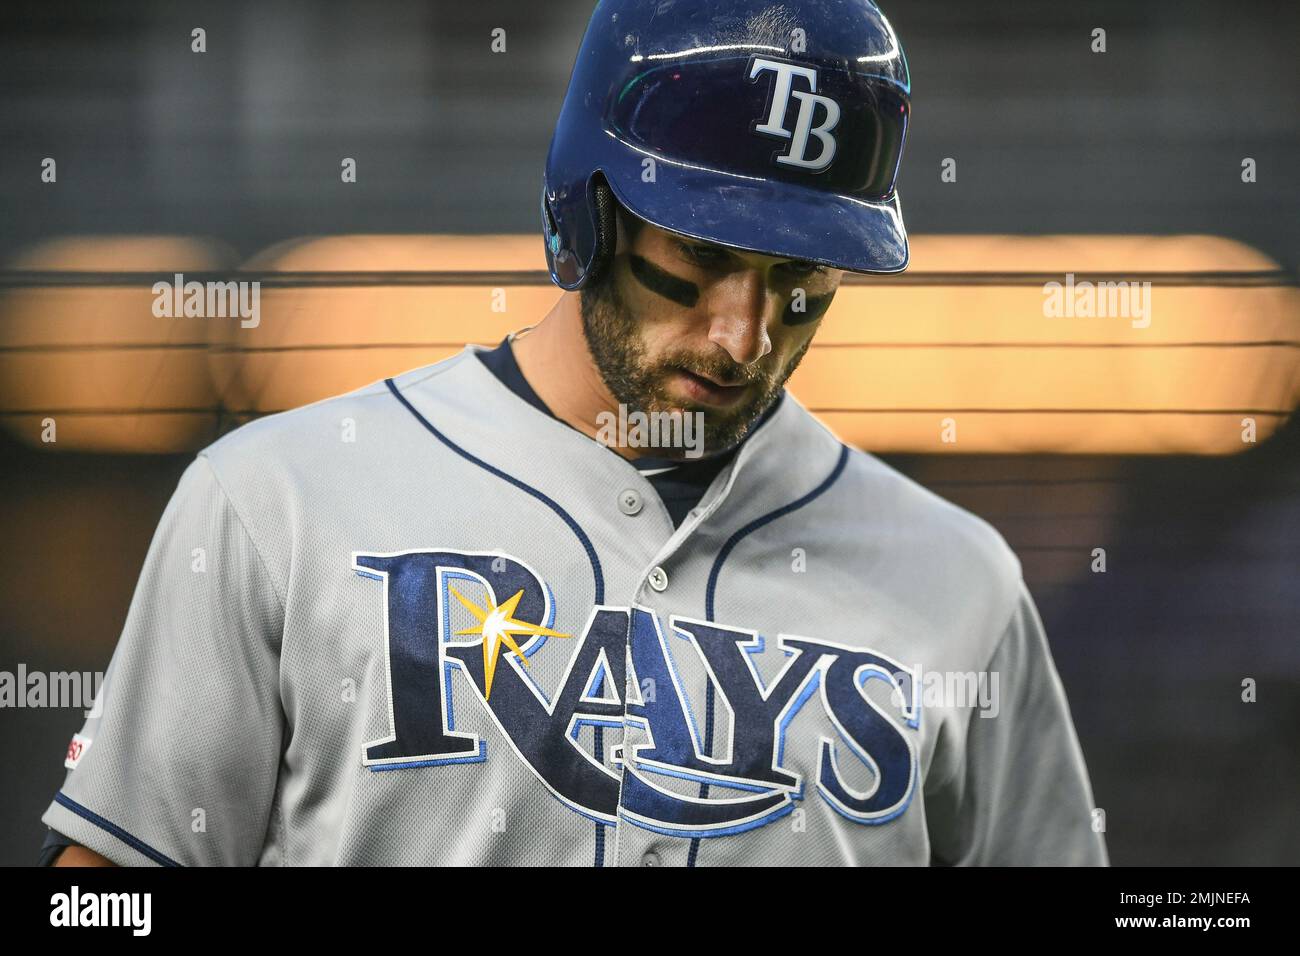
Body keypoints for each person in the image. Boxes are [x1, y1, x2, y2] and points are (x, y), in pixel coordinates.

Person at [41, 0, 1106, 866]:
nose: (743, 336)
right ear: (587, 206)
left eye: (799, 283)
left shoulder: (958, 581)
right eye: (700, 256)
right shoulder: (276, 502)